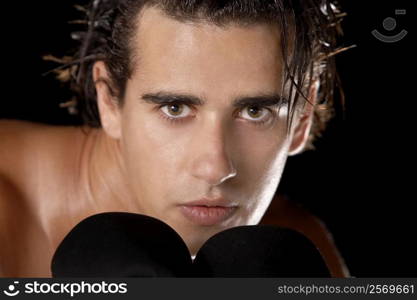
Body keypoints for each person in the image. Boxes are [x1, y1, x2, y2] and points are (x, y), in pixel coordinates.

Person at [0, 0, 351, 277]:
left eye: (255, 112)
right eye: (174, 107)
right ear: (109, 99)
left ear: (302, 118)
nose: (214, 169)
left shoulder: (291, 255)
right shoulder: (9, 212)